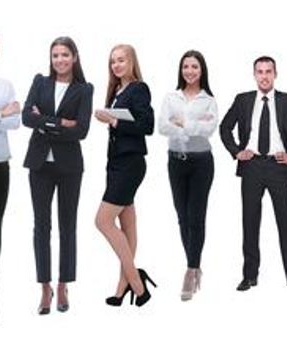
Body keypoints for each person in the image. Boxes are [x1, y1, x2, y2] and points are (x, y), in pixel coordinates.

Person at [21, 36, 94, 316]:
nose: (60, 60)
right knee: (41, 227)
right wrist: (61, 122)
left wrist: (45, 122)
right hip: (40, 164)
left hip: (69, 167)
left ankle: (63, 284)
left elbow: (83, 130)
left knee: (68, 227)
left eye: (65, 55)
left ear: (74, 57)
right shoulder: (40, 82)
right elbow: (27, 117)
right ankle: (44, 287)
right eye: (55, 55)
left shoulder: (84, 89)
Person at [93, 44, 157, 307]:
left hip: (130, 164)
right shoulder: (116, 91)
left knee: (102, 221)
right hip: (115, 163)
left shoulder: (138, 88)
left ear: (132, 62)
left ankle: (138, 285)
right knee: (127, 223)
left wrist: (114, 121)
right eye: (113, 62)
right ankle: (122, 287)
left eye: (121, 60)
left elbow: (147, 126)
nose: (116, 65)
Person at [160, 51, 219, 292]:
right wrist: (192, 126)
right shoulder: (171, 97)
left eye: (195, 66)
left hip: (201, 163)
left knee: (196, 217)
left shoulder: (209, 100)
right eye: (186, 66)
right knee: (182, 217)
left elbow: (209, 129)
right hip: (175, 161)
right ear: (180, 70)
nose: (190, 71)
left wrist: (182, 123)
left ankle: (191, 269)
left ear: (202, 70)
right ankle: (193, 264)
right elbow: (162, 126)